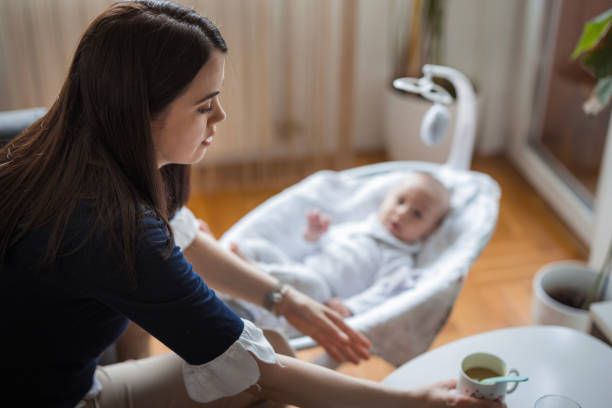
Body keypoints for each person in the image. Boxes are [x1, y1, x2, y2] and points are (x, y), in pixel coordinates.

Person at [0, 1, 502, 407]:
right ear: (139, 113)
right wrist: (415, 402)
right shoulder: (113, 229)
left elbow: (180, 237)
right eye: (204, 105)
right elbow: (261, 371)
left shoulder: (53, 138)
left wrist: (287, 299)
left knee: (271, 342)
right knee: (268, 362)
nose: (221, 116)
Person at [228, 173, 450, 333]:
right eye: (400, 201)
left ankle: (245, 272)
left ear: (431, 229)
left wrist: (351, 308)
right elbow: (309, 251)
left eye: (417, 214)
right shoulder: (359, 227)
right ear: (387, 198)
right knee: (259, 247)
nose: (401, 213)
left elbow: (385, 293)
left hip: (319, 295)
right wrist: (313, 236)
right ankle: (226, 263)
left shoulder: (398, 259)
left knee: (311, 284)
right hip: (297, 268)